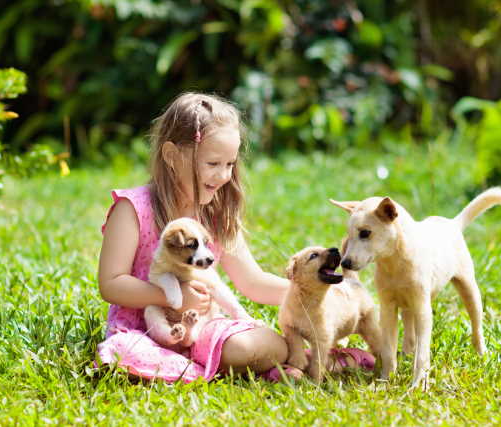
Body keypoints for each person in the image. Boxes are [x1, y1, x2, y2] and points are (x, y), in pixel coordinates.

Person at [96, 92, 375, 383]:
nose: (224, 175)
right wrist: (171, 297)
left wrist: (318, 294)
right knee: (125, 355)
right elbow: (111, 284)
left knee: (255, 345)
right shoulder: (132, 210)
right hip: (145, 332)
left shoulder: (215, 216)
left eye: (230, 164)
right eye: (213, 163)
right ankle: (301, 365)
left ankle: (296, 361)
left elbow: (252, 282)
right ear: (171, 156)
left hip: (203, 331)